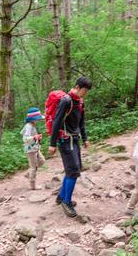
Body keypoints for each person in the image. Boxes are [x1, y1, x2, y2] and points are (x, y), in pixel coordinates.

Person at [48, 77, 92, 218]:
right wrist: (52, 143)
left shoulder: (80, 101)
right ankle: (66, 202)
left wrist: (85, 138)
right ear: (77, 87)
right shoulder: (66, 101)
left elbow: (81, 122)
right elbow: (56, 122)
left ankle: (61, 197)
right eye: (84, 90)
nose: (85, 93)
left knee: (73, 170)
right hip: (65, 140)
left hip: (75, 139)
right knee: (73, 171)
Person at [21, 107, 46, 190]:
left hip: (35, 148)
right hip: (30, 149)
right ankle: (32, 185)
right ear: (32, 119)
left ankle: (28, 173)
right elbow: (25, 139)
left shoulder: (32, 125)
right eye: (37, 119)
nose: (38, 120)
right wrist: (35, 137)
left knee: (42, 160)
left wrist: (37, 137)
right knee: (34, 167)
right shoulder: (28, 126)